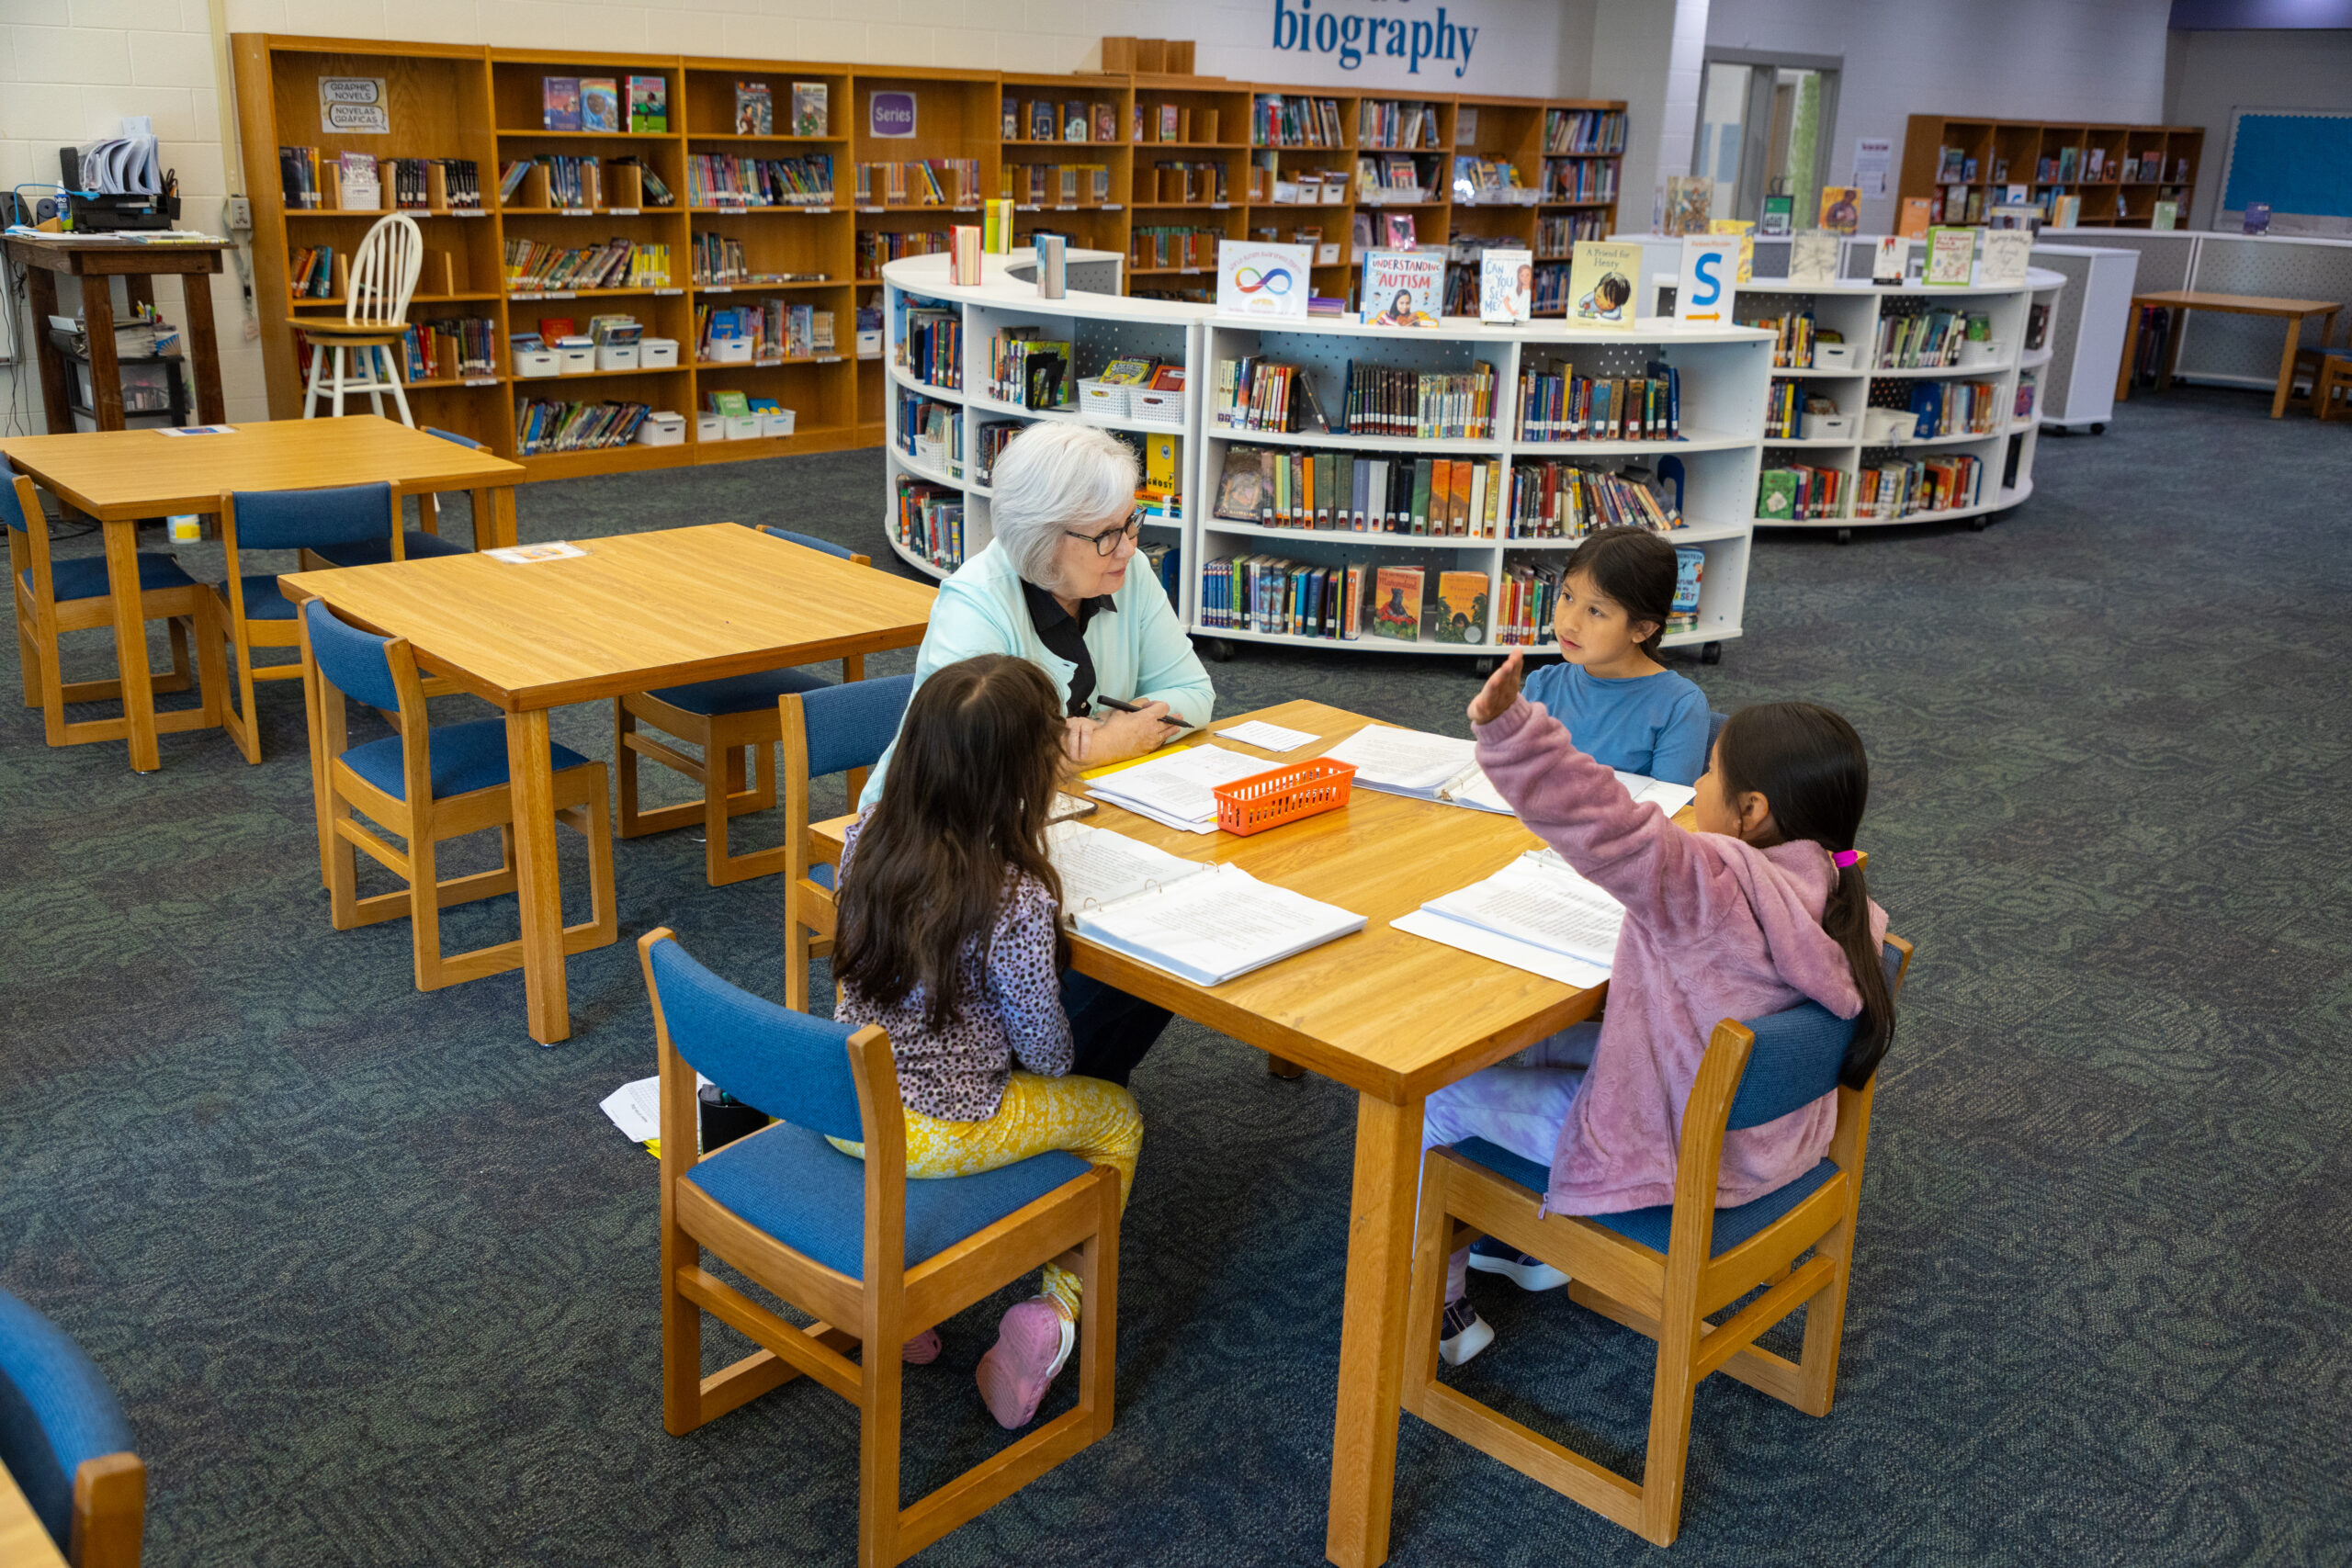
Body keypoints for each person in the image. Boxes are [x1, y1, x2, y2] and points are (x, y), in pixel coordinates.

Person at [1427, 651, 1894, 1365]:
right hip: (1772, 1145)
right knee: (1555, 1048)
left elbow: (1606, 823)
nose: (1697, 784)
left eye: (1709, 773)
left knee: (1438, 1096)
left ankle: (1443, 1315)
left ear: (1752, 810)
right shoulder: (1844, 897)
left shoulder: (1710, 883)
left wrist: (1512, 729)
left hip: (1679, 1157)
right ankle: (1524, 1244)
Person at [831, 653, 1145, 1428]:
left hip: (842, 1105)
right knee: (1116, 1118)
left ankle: (904, 1310)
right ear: (1023, 778)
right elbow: (1045, 1051)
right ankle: (1052, 1315)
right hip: (933, 1130)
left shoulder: (864, 835)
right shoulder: (1012, 892)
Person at [860, 421, 1214, 1089]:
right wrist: (1114, 739)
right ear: (1043, 540)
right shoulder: (976, 603)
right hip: (951, 835)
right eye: (1107, 533)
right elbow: (978, 758)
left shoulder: (1126, 570)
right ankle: (1039, 1093)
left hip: (1072, 819)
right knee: (1132, 950)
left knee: (1171, 938)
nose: (1129, 547)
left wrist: (1075, 750)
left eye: (1132, 522)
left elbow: (1193, 691)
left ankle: (1062, 1084)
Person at [1521, 525, 1710, 784]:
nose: (1569, 623)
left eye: (1595, 611)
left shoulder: (1679, 707)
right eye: (1567, 596)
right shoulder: (1542, 686)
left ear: (1642, 628)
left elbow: (1667, 812)